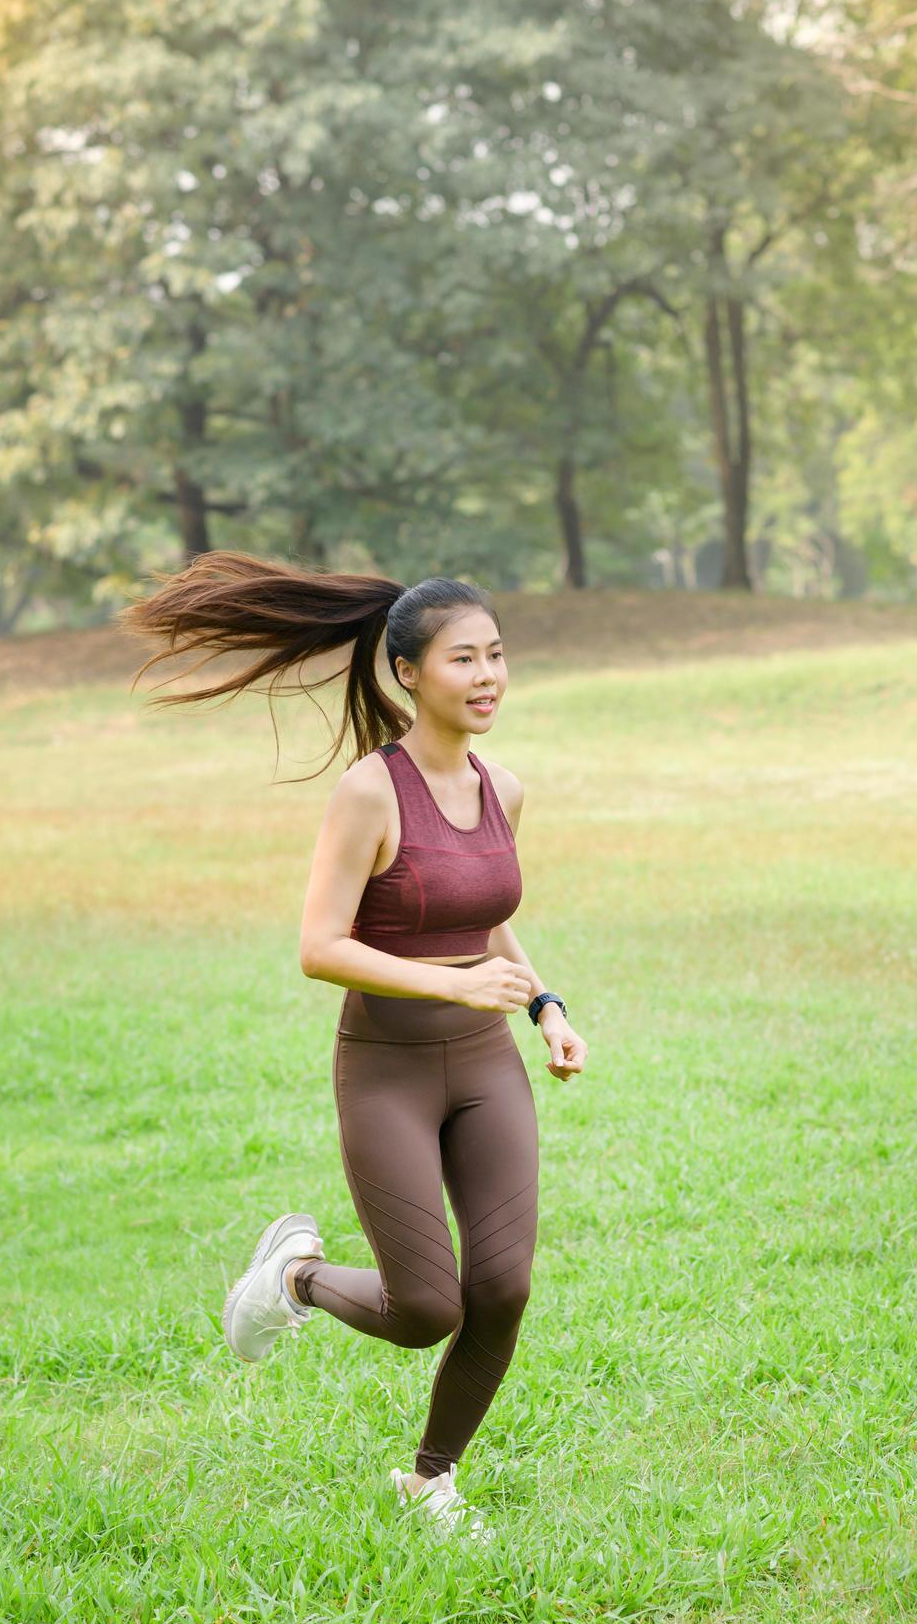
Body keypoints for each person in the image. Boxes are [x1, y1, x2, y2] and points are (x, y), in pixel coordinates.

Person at [119, 555, 588, 1539]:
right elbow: (318, 947)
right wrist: (452, 982)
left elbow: (487, 914)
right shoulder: (370, 792)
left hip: (487, 1065)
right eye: (463, 658)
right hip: (387, 1069)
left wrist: (542, 1002)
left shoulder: (504, 787)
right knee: (426, 1307)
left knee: (500, 1286)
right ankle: (292, 1278)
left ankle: (428, 1481)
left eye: (497, 655)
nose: (488, 675)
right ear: (408, 672)